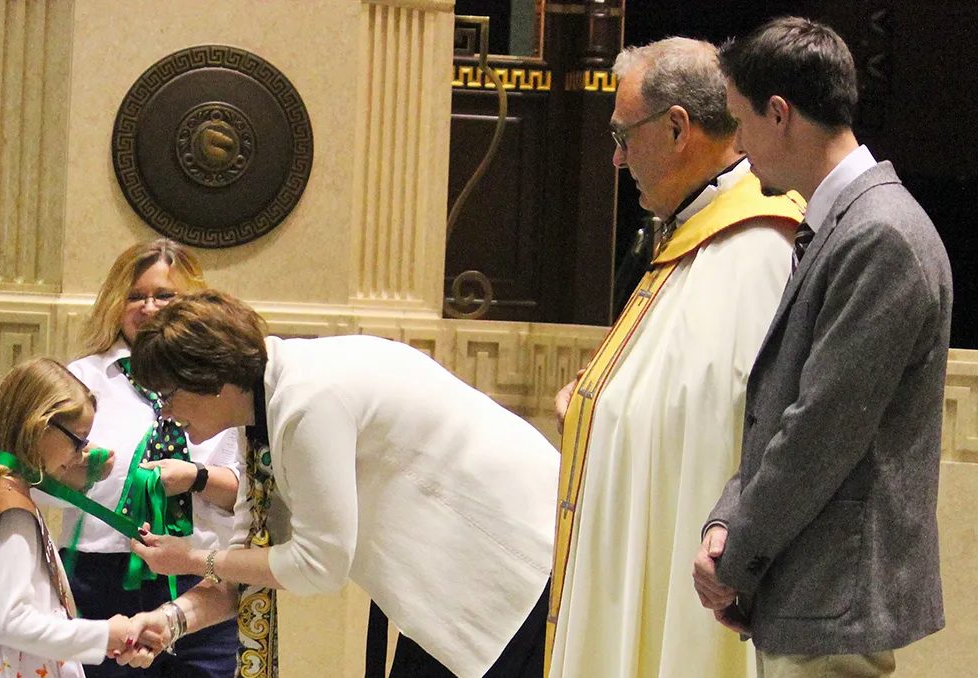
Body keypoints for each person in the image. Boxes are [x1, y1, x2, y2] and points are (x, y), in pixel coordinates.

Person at [692, 17, 951, 678]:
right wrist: (726, 523)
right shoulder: (844, 223)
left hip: (834, 599)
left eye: (740, 123)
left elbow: (821, 430)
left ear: (779, 114)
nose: (741, 151)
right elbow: (780, 406)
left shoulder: (880, 235)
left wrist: (736, 553)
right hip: (811, 593)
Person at [120, 289, 558, 678]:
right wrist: (168, 621)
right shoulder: (262, 410)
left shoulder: (309, 401)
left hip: (516, 566)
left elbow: (319, 566)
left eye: (169, 394)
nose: (166, 414)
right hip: (462, 586)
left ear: (209, 380)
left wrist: (194, 559)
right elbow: (244, 570)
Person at [547, 37, 806, 678]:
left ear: (676, 128)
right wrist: (598, 399)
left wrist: (598, 406)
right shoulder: (699, 236)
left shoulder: (758, 248)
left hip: (702, 577)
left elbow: (725, 423)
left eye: (622, 136)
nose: (615, 159)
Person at [59, 240, 242, 678]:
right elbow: (44, 474)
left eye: (164, 295)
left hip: (200, 575)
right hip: (102, 572)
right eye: (135, 296)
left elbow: (249, 491)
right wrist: (88, 470)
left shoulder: (223, 384)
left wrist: (196, 478)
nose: (149, 307)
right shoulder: (83, 379)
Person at [0, 357, 158, 677]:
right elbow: (12, 621)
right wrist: (103, 635)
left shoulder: (5, 490)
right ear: (41, 427)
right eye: (77, 441)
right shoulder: (13, 511)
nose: (80, 454)